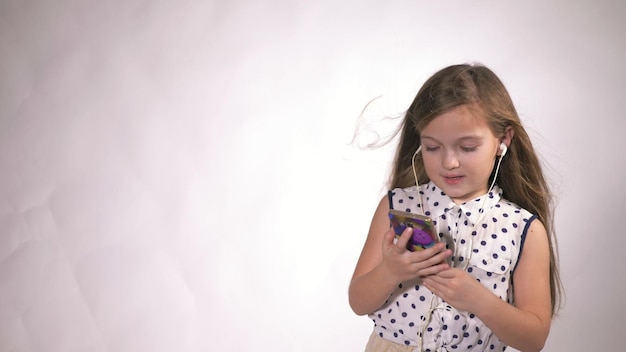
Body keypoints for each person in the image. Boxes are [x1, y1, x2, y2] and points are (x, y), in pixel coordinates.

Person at [348, 63, 562, 352]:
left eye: (467, 147)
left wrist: (479, 300)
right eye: (433, 148)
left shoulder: (523, 228)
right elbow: (358, 301)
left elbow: (534, 339)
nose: (449, 162)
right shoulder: (397, 205)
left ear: (503, 141)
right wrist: (391, 271)